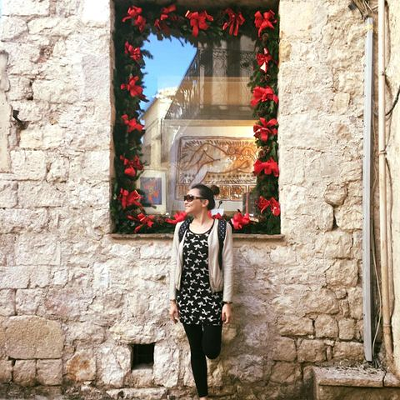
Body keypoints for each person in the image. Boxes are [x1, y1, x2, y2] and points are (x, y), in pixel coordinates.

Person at [169, 184, 234, 400]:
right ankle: (203, 396)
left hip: (212, 297)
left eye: (190, 197)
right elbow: (174, 264)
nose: (186, 201)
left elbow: (228, 265)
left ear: (204, 202)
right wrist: (172, 300)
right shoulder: (181, 228)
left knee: (211, 350)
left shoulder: (222, 228)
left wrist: (227, 302)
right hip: (187, 297)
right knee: (195, 349)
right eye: (185, 197)